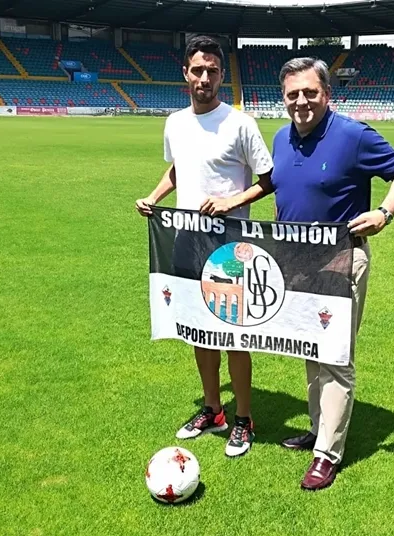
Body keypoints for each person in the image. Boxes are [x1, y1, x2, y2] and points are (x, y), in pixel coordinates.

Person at [270, 57, 394, 490]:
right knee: (309, 348)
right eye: (293, 94)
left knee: (335, 355)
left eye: (310, 92)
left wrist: (384, 213)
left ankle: (327, 454)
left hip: (341, 258)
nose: (301, 101)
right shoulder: (282, 139)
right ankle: (319, 429)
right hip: (295, 259)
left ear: (326, 94)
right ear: (284, 98)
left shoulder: (352, 135)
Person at [135, 35, 274, 457]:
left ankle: (244, 418)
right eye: (198, 70)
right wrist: (155, 197)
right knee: (199, 330)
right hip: (185, 239)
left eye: (213, 71)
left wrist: (232, 201)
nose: (206, 78)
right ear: (186, 74)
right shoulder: (175, 122)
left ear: (220, 77)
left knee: (234, 333)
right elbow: (179, 168)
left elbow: (268, 180)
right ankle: (212, 408)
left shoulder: (240, 124)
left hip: (231, 244)